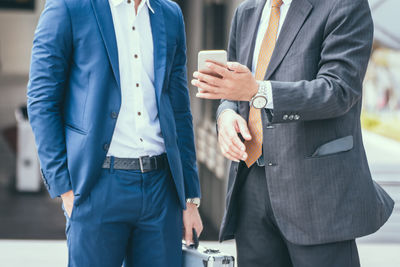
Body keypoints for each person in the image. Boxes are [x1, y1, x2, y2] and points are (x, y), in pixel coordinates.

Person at [192, 0, 394, 266]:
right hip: (250, 186)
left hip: (316, 195)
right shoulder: (247, 11)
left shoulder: (344, 5)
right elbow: (234, 89)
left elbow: (338, 91)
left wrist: (257, 92)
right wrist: (226, 115)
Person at [27, 0, 202, 266]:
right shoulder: (68, 7)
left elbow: (179, 109)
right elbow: (42, 99)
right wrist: (65, 188)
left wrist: (189, 198)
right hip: (97, 187)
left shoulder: (169, 13)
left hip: (161, 190)